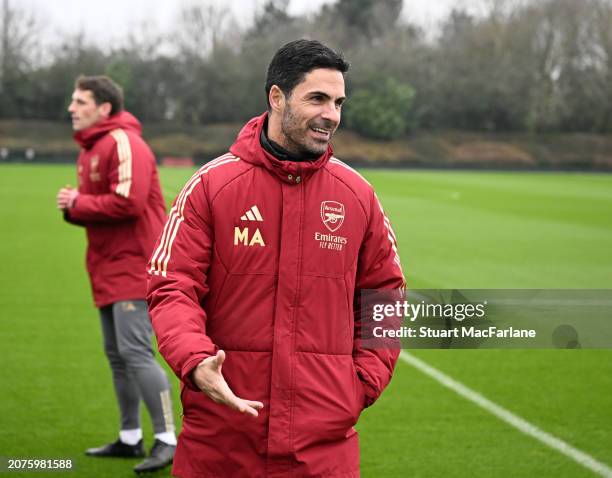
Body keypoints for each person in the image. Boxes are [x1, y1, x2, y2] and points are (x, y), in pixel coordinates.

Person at [147, 39, 405, 478]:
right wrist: (194, 360)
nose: (332, 115)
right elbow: (172, 285)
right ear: (276, 97)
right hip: (222, 445)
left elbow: (385, 295)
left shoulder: (358, 195)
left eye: (339, 102)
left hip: (323, 453)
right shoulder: (211, 186)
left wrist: (360, 384)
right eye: (317, 98)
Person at [56, 75, 176, 474]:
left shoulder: (123, 142)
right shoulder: (91, 149)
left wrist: (78, 202)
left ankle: (167, 439)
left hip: (136, 265)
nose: (72, 108)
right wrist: (75, 208)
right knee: (118, 356)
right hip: (108, 266)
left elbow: (128, 202)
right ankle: (130, 439)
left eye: (80, 101)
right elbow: (102, 212)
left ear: (104, 108)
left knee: (136, 353)